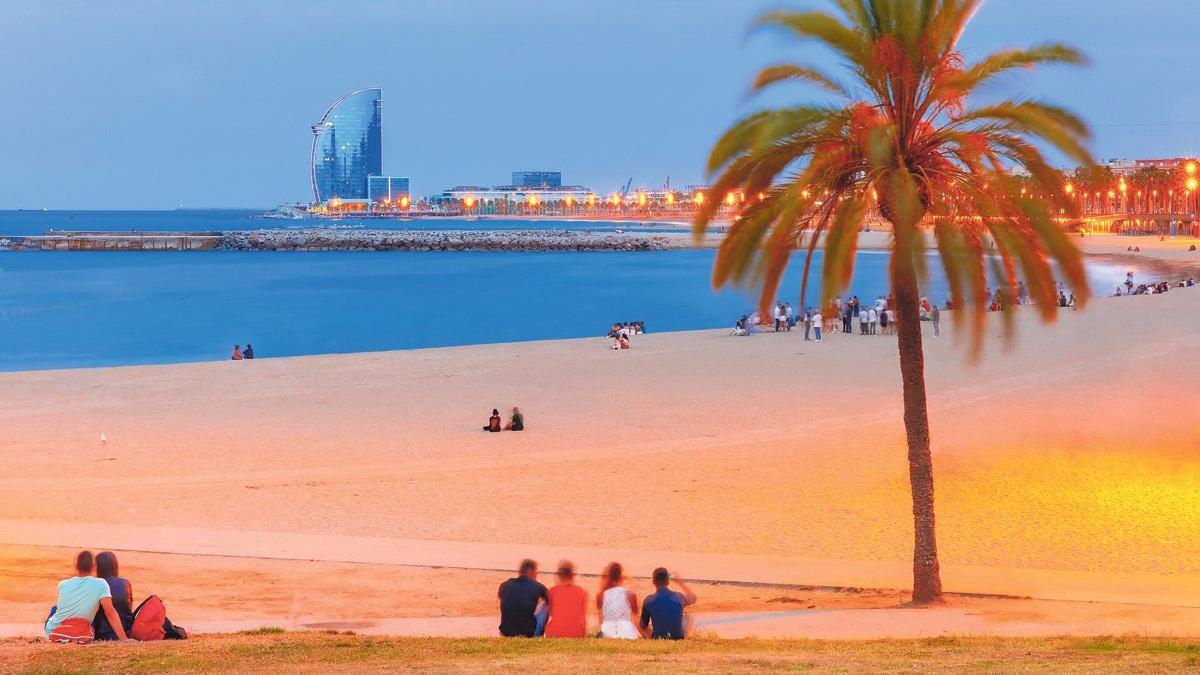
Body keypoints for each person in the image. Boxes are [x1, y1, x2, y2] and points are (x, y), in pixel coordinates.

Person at [45, 550, 128, 642]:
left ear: (76, 567)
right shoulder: (101, 584)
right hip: (75, 632)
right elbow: (110, 612)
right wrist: (124, 639)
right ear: (94, 567)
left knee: (55, 608)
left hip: (52, 630)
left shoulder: (63, 584)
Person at [639, 568, 697, 640]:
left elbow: (643, 626)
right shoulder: (678, 597)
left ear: (653, 582)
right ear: (668, 582)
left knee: (642, 621)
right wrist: (680, 583)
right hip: (679, 637)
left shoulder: (648, 600)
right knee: (689, 615)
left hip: (658, 638)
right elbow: (693, 598)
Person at [498, 559, 549, 637]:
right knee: (546, 603)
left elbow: (503, 597)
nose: (536, 575)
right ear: (530, 571)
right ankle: (538, 635)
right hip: (528, 633)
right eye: (536, 572)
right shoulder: (536, 586)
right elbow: (552, 599)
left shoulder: (505, 585)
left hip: (505, 632)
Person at [544, 560, 588, 638]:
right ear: (572, 575)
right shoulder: (582, 592)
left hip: (555, 633)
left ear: (559, 575)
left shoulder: (552, 591)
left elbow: (551, 613)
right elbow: (583, 617)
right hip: (576, 633)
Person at [597, 562, 640, 639]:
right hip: (627, 632)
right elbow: (636, 616)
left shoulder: (600, 595)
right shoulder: (630, 594)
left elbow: (601, 620)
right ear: (621, 576)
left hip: (607, 631)